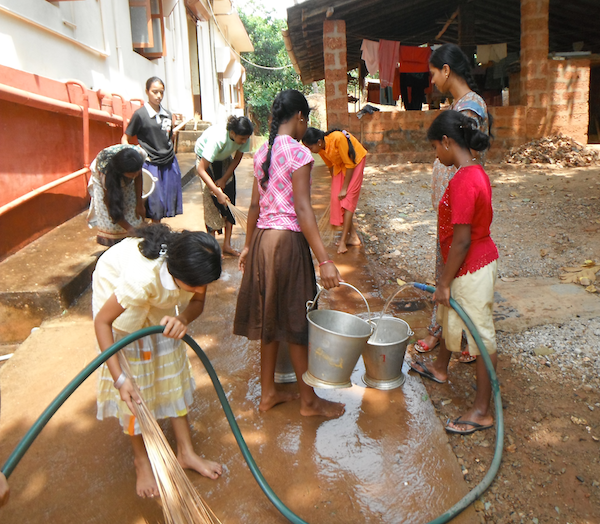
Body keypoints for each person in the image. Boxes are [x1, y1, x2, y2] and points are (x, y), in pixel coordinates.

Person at [233, 90, 345, 418]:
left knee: (271, 318)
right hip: (287, 244)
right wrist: (324, 259)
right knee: (297, 319)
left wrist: (249, 246)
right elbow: (302, 208)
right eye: (305, 120)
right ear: (299, 117)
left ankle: (268, 393)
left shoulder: (261, 153)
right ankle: (309, 402)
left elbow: (254, 205)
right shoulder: (298, 154)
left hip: (264, 243)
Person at [93, 224, 223, 498]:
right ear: (177, 273)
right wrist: (120, 379)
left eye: (205, 283)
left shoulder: (194, 265)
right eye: (196, 285)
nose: (201, 289)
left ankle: (186, 452)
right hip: (118, 292)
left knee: (172, 369)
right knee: (133, 385)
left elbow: (197, 303)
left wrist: (182, 319)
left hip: (151, 294)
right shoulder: (140, 279)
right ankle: (141, 460)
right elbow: (103, 322)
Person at [410, 110, 498, 435]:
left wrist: (444, 282)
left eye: (436, 147)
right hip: (467, 263)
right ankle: (440, 367)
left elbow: (461, 240)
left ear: (447, 141)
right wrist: (446, 283)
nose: (436, 154)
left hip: (471, 265)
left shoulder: (463, 180)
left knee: (481, 336)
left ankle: (482, 411)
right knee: (449, 316)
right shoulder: (475, 171)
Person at [414, 43, 492, 363]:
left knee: (456, 269)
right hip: (450, 208)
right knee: (448, 267)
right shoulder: (461, 104)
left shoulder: (470, 106)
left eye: (433, 72)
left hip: (460, 209)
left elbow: (464, 156)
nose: (432, 80)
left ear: (446, 70)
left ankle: (460, 334)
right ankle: (447, 330)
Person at [122, 77, 182, 223]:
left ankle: (157, 235)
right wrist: (132, 154)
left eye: (161, 92)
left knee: (164, 205)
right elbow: (125, 138)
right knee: (152, 204)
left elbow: (169, 136)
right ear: (147, 92)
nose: (158, 96)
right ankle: (149, 236)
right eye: (155, 92)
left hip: (169, 163)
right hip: (150, 164)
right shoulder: (140, 115)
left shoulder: (167, 114)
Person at [194, 116, 254, 256]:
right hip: (205, 160)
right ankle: (212, 248)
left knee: (229, 202)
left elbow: (238, 157)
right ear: (232, 133)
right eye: (242, 139)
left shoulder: (244, 136)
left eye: (246, 138)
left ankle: (227, 245)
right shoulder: (218, 139)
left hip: (224, 158)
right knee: (211, 205)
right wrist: (216, 191)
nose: (245, 142)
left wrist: (224, 178)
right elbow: (201, 169)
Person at [302, 128, 367, 254]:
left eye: (310, 147)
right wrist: (336, 185)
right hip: (342, 164)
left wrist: (344, 188)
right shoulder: (321, 149)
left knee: (348, 200)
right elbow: (331, 166)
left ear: (319, 142)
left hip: (355, 161)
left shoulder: (337, 138)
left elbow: (350, 164)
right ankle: (353, 236)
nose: (310, 151)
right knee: (336, 199)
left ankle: (343, 241)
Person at [87, 144, 146, 246]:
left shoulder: (139, 155)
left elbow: (138, 176)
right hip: (107, 176)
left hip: (123, 168)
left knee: (131, 205)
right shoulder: (105, 173)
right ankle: (116, 244)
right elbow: (111, 205)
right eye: (132, 174)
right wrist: (130, 229)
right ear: (121, 172)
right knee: (111, 216)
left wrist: (139, 203)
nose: (135, 176)